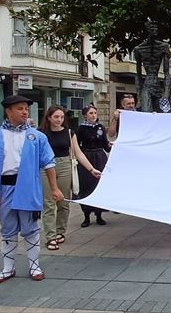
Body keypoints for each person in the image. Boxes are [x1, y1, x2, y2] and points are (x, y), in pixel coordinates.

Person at [0, 95, 64, 284]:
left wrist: (54, 188)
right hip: (4, 187)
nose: (25, 111)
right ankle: (8, 268)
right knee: (8, 228)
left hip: (28, 186)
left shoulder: (36, 136)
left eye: (26, 108)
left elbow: (49, 163)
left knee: (30, 228)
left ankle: (34, 265)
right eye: (20, 108)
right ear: (8, 111)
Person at [38, 105, 101, 250]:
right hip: (46, 167)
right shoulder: (41, 133)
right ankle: (50, 236)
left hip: (65, 165)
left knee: (63, 202)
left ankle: (61, 232)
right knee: (48, 203)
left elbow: (78, 153)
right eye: (56, 117)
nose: (59, 120)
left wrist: (91, 169)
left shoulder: (69, 133)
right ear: (48, 117)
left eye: (61, 117)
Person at [76, 105, 111, 227]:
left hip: (100, 157)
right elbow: (77, 146)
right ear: (85, 115)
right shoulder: (81, 128)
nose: (93, 115)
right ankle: (86, 216)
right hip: (87, 157)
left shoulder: (100, 127)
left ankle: (99, 214)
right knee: (86, 186)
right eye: (91, 113)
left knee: (99, 185)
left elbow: (105, 145)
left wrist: (111, 146)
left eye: (95, 113)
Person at [134, 21, 171, 113]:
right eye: (152, 28)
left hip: (158, 85)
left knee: (163, 115)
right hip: (147, 85)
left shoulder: (163, 47)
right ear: (147, 30)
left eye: (156, 28)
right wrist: (139, 97)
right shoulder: (139, 49)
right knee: (146, 114)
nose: (155, 30)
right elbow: (138, 74)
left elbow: (167, 73)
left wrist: (166, 94)